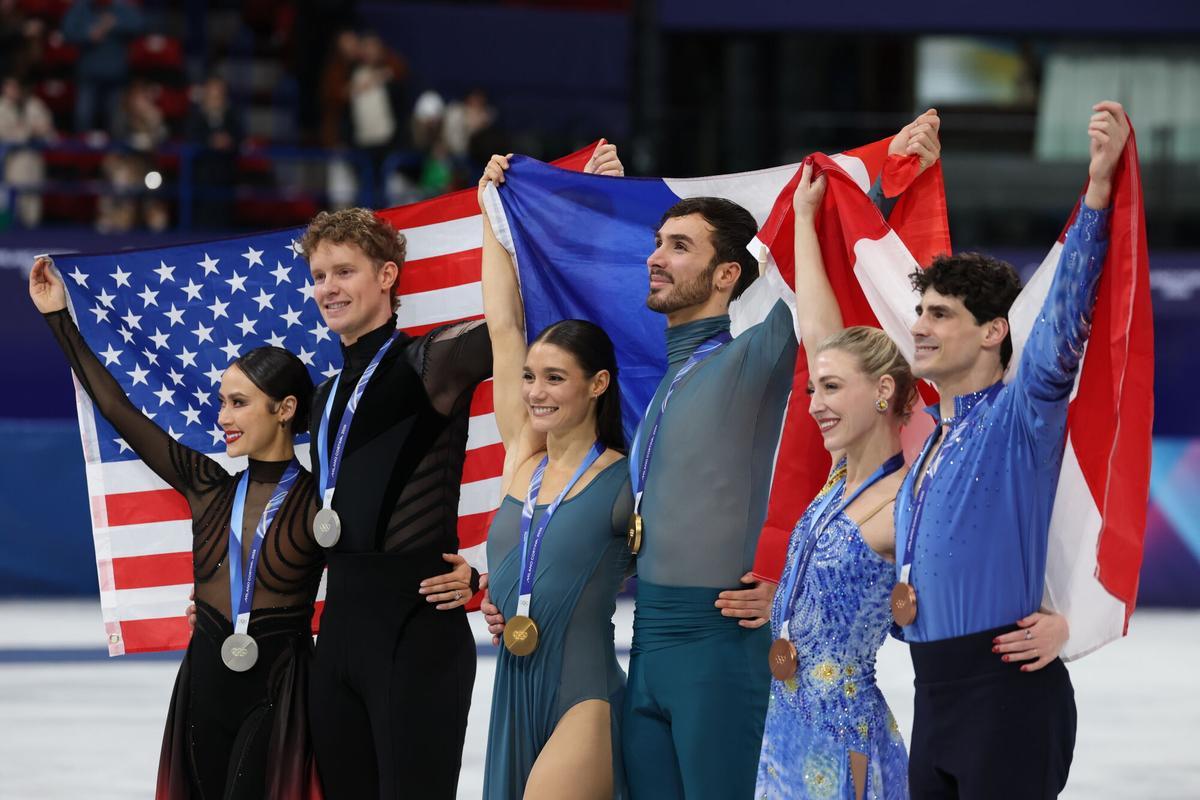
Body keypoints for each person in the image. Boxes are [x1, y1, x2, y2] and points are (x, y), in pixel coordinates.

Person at [612, 113, 943, 800]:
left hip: (726, 650)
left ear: (730, 271)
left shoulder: (749, 360)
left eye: (678, 245)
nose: (656, 256)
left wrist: (875, 188)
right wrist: (590, 201)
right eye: (656, 242)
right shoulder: (666, 382)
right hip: (645, 645)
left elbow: (818, 322)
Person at [757, 157, 1068, 800]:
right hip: (783, 730)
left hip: (847, 737)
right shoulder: (839, 473)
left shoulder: (920, 482)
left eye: (833, 388)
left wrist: (1062, 616)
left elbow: (992, 542)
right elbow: (820, 334)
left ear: (883, 394)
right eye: (817, 386)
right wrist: (810, 222)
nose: (816, 399)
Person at [895, 101, 1130, 799]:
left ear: (994, 330)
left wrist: (1097, 192)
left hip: (1006, 698)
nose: (921, 328)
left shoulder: (1020, 415)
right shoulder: (934, 433)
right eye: (920, 311)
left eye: (940, 315)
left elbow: (1063, 320)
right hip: (933, 697)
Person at [29, 257, 324, 799]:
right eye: (221, 403)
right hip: (203, 684)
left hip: (280, 687)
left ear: (284, 409)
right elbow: (119, 409)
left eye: (238, 403)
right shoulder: (210, 486)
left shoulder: (320, 501)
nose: (224, 417)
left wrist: (469, 580)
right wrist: (58, 319)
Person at [300, 206, 487, 799]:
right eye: (320, 274)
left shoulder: (433, 362)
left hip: (417, 628)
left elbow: (521, 325)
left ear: (386, 276)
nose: (329, 288)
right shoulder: (323, 396)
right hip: (339, 634)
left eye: (345, 272)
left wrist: (577, 206)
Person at [476, 145, 631, 799]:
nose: (536, 391)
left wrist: (604, 208)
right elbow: (504, 324)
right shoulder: (523, 457)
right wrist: (492, 211)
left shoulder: (627, 479)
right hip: (512, 684)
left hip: (583, 692)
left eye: (555, 379)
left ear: (597, 384)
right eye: (532, 378)